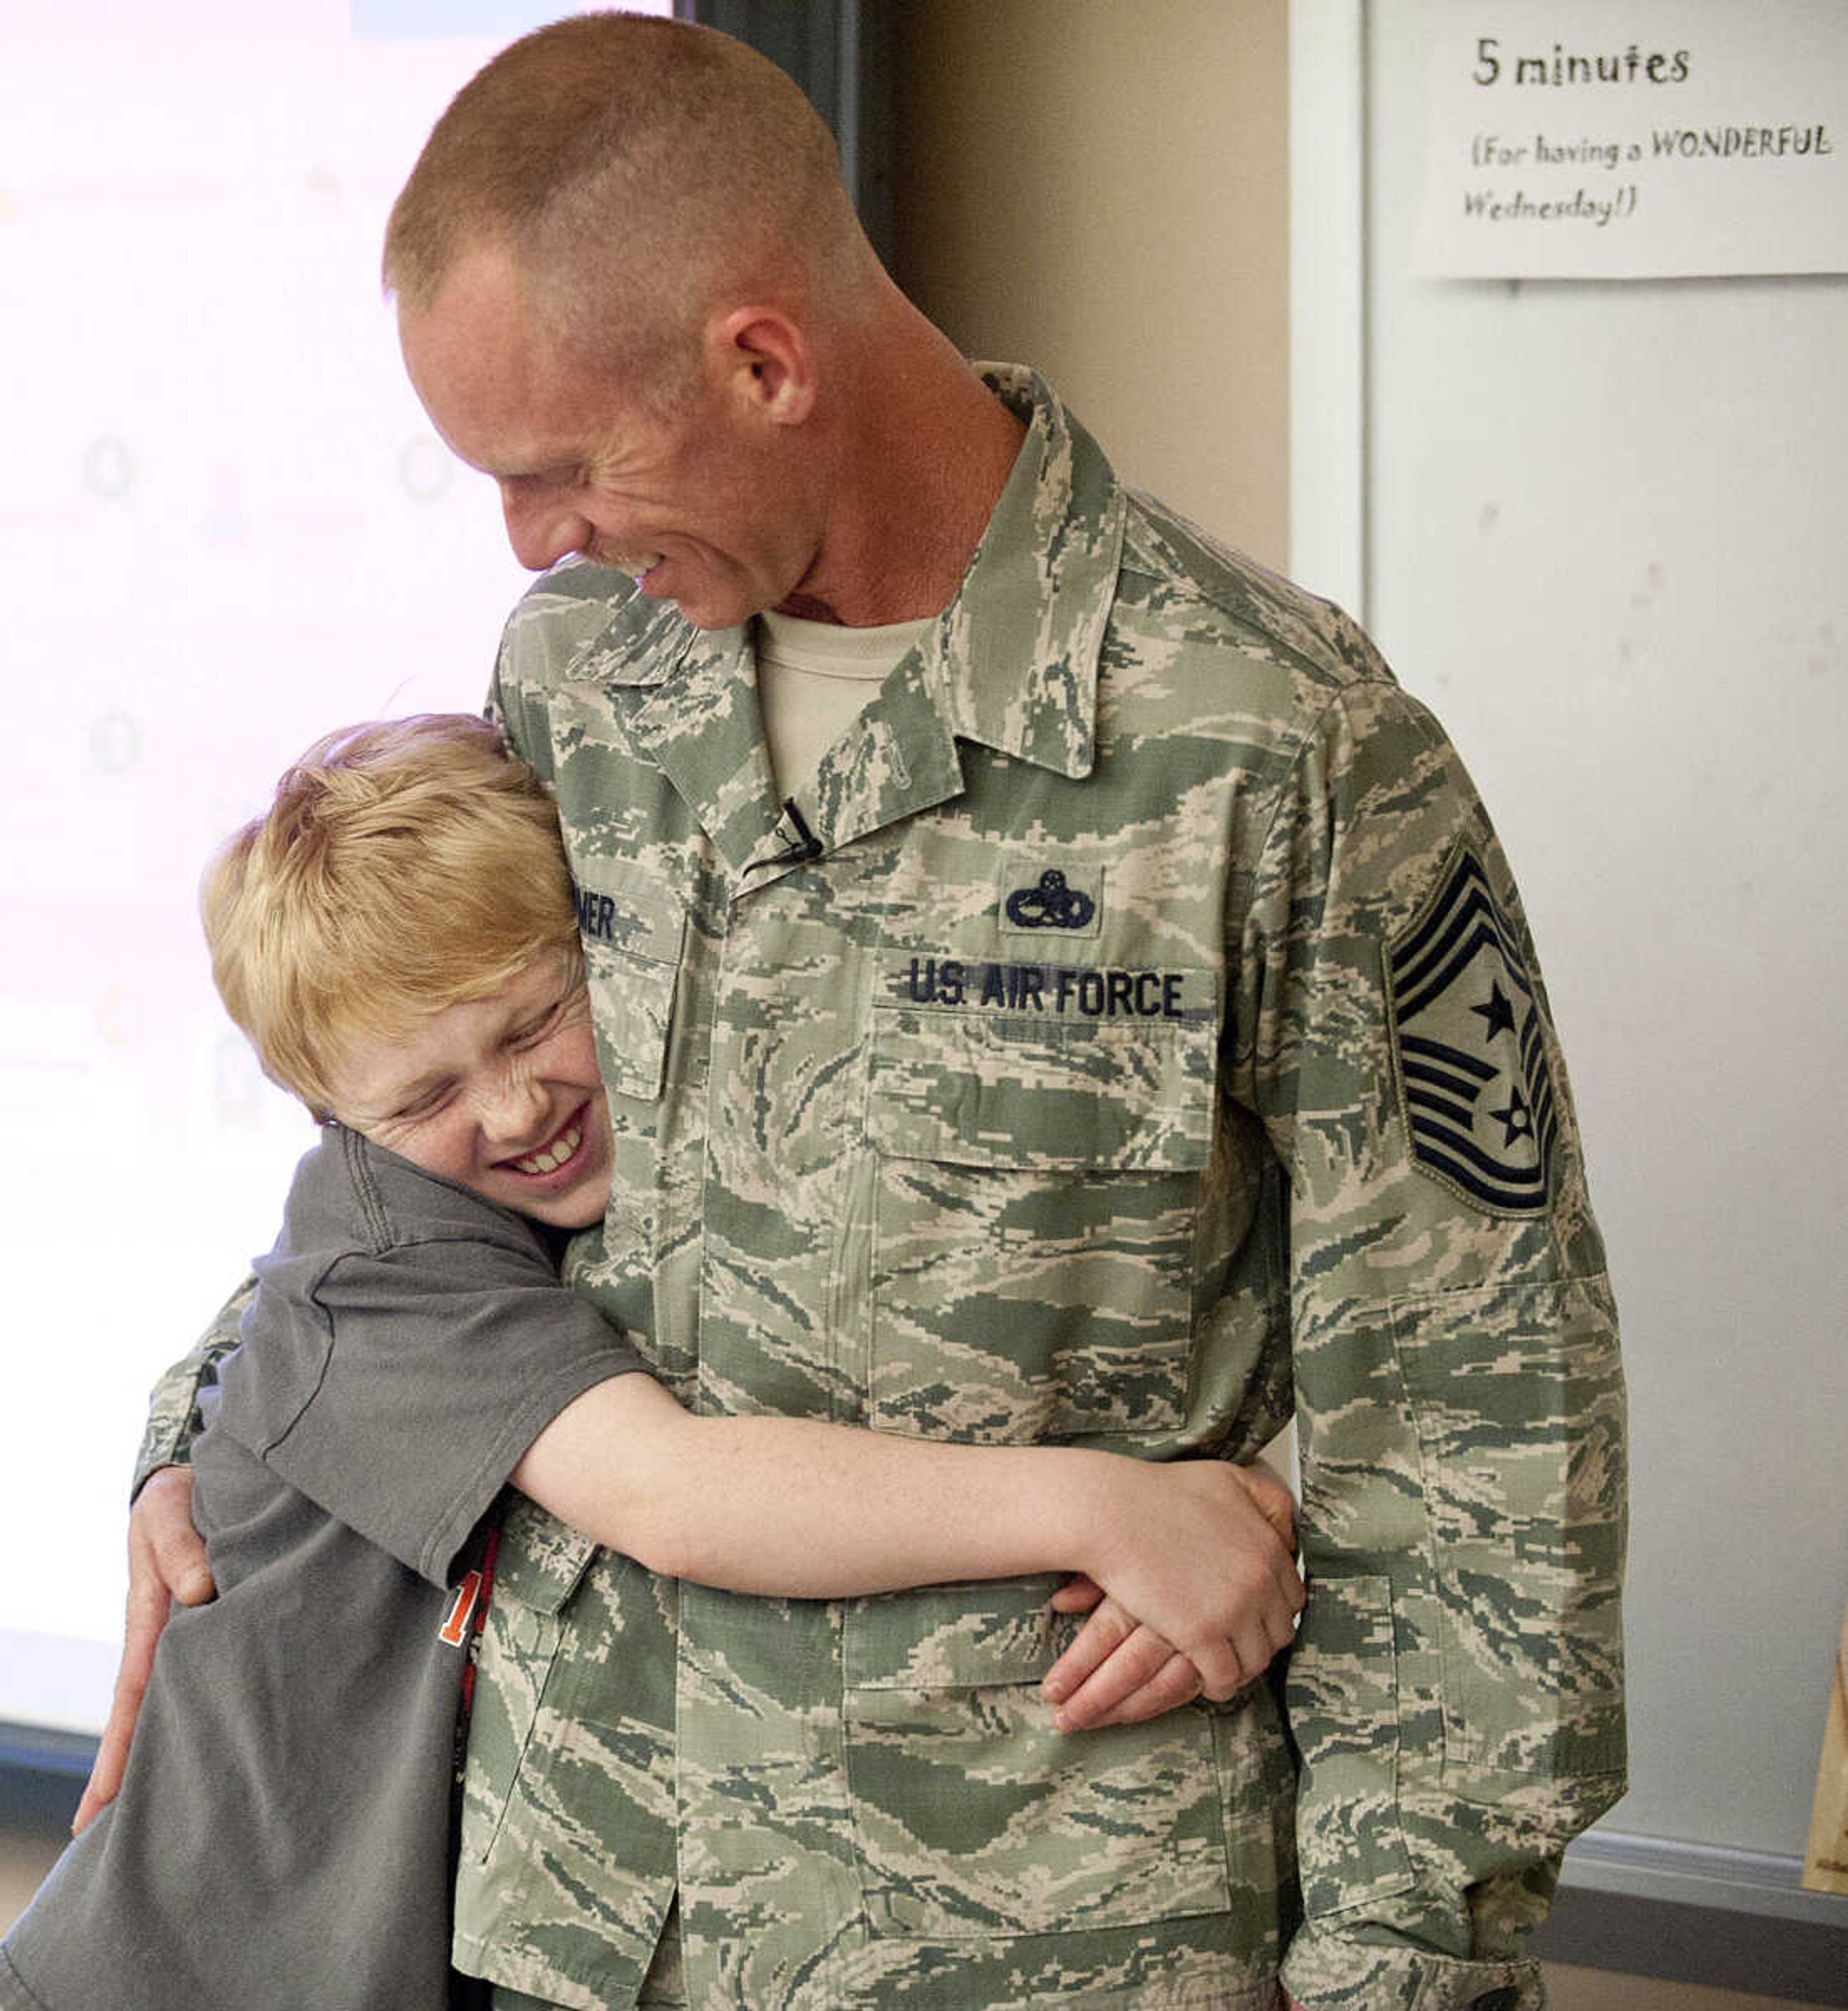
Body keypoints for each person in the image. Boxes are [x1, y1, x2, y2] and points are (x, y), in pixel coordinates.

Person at [110, 14, 1627, 2010]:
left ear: (762, 358)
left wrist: (1401, 1972)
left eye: (563, 463)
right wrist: (211, 1414)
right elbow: (422, 1110)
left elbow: (1483, 1427)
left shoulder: (1274, 744)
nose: (532, 536)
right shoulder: (588, 675)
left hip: (1042, 1929)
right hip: (588, 1905)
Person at [9, 713, 1299, 2011]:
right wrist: (1116, 1506)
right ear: (330, 1121)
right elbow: (676, 1495)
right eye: (424, 1099)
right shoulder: (380, 1267)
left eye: (535, 1022)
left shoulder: (542, 1205)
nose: (515, 1110)